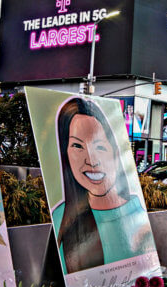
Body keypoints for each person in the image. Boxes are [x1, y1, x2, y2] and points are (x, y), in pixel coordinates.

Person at [51, 97, 153, 274]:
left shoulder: (137, 212)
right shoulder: (60, 217)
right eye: (77, 146)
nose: (91, 160)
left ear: (115, 150)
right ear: (65, 153)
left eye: (99, 146)